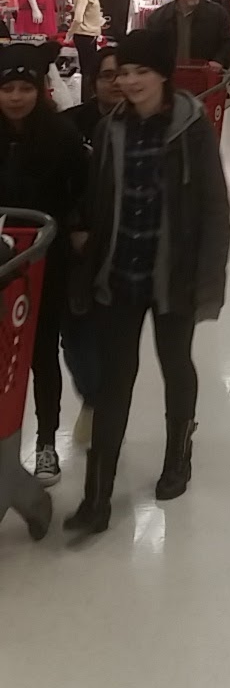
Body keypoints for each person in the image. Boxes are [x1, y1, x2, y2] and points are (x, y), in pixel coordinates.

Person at [64, 29, 230, 534]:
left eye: (141, 71)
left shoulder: (191, 127)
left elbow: (213, 207)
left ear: (162, 74)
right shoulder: (111, 129)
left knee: (175, 362)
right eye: (123, 73)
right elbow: (97, 197)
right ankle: (96, 498)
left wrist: (208, 277)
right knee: (115, 378)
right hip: (120, 273)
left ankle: (178, 455)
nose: (130, 82)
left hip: (173, 275)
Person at [0, 43, 90, 485]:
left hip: (43, 265)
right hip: (1, 262)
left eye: (25, 88)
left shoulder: (61, 137)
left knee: (40, 354)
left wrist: (76, 229)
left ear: (39, 89)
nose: (16, 97)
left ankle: (46, 443)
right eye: (7, 89)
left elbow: (82, 192)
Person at [148, 0, 230, 69]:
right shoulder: (159, 18)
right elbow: (150, 48)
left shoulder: (218, 14)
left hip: (205, 74)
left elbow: (229, 43)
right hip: (170, 74)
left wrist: (219, 61)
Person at [66, 41, 123, 147]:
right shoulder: (70, 124)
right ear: (93, 82)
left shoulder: (144, 126)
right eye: (108, 76)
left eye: (123, 74)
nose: (117, 82)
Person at [69, 0, 104, 100]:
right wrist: (69, 33)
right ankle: (87, 98)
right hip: (84, 35)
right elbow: (78, 17)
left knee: (90, 68)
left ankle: (89, 96)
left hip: (90, 34)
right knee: (88, 69)